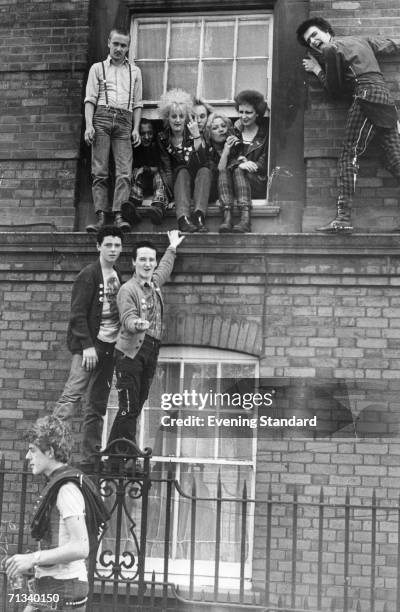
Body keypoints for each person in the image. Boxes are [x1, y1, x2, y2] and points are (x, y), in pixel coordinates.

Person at [296, 17, 400, 233]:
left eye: (315, 35)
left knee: (348, 156)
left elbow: (335, 91)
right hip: (384, 98)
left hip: (365, 95)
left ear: (327, 31)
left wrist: (317, 69)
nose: (313, 42)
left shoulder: (330, 49)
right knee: (394, 159)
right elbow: (392, 45)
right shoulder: (361, 40)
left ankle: (343, 219)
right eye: (309, 41)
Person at [5, 416, 108, 612]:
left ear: (50, 452)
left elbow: (80, 547)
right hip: (56, 588)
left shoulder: (66, 489)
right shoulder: (59, 483)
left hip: (62, 589)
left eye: (33, 450)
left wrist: (32, 558)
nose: (28, 456)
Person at [107, 230, 185, 452]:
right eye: (142, 259)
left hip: (150, 351)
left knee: (135, 406)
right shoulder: (127, 289)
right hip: (130, 353)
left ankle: (115, 454)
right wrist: (137, 324)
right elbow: (127, 317)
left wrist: (172, 248)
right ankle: (124, 455)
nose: (148, 264)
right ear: (134, 262)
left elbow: (164, 269)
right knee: (129, 407)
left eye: (151, 259)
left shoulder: (155, 284)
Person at [53, 226, 123, 472]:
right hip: (89, 348)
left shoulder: (118, 276)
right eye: (108, 245)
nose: (113, 249)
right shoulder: (88, 275)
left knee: (97, 404)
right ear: (98, 247)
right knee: (72, 396)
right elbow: (77, 315)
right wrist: (87, 347)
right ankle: (52, 449)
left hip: (109, 347)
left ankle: (90, 458)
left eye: (117, 245)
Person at [84, 28, 143, 233]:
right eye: (115, 44)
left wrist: (136, 128)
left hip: (125, 121)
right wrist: (89, 125)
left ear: (128, 47)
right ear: (108, 43)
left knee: (124, 171)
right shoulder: (97, 68)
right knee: (99, 170)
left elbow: (137, 103)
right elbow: (90, 99)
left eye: (123, 45)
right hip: (101, 117)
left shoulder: (134, 71)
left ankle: (119, 215)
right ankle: (101, 216)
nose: (119, 49)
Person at [157, 89, 212, 233]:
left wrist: (196, 137)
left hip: (199, 184)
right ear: (167, 117)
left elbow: (203, 162)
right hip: (179, 185)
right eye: (173, 116)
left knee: (205, 170)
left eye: (181, 116)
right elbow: (166, 170)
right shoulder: (162, 138)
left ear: (186, 117)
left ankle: (199, 216)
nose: (177, 120)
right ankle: (183, 219)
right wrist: (172, 196)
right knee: (181, 170)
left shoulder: (194, 132)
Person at [205, 112, 252, 233]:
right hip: (216, 190)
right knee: (224, 172)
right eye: (215, 128)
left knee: (238, 170)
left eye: (223, 126)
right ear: (209, 133)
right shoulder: (207, 149)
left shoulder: (234, 143)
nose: (220, 130)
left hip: (236, 186)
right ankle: (227, 218)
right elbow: (218, 170)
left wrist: (242, 159)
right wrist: (226, 151)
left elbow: (239, 162)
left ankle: (245, 219)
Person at [230, 90, 269, 233]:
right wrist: (239, 162)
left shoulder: (265, 134)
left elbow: (263, 162)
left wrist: (247, 165)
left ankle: (245, 220)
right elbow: (227, 158)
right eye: (241, 112)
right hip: (235, 182)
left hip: (257, 181)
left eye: (248, 112)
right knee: (238, 169)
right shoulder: (234, 133)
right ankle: (243, 219)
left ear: (257, 113)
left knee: (240, 169)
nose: (243, 116)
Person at [122, 118, 169, 227]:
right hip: (140, 186)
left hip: (157, 185)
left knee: (159, 175)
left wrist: (145, 169)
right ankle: (132, 207)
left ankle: (158, 208)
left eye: (150, 133)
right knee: (134, 172)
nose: (147, 137)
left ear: (154, 133)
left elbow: (161, 168)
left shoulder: (158, 145)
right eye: (143, 134)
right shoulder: (134, 147)